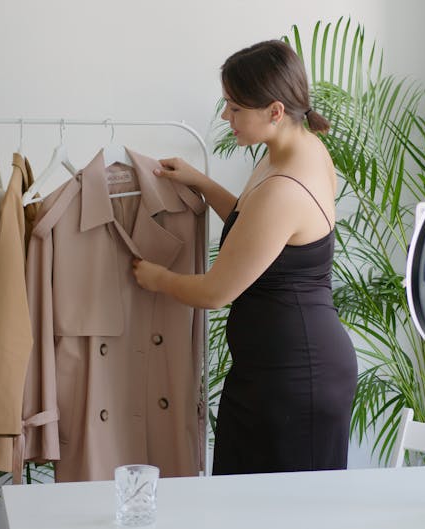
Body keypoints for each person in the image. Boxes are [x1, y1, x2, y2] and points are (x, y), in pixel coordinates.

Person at [132, 39, 357, 475]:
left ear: (274, 111)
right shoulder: (293, 150)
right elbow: (255, 228)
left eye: (235, 108)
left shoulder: (285, 185)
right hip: (270, 372)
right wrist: (202, 182)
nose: (225, 117)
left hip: (295, 380)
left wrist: (156, 278)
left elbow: (216, 292)